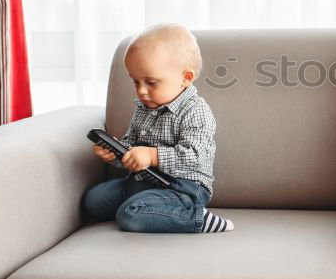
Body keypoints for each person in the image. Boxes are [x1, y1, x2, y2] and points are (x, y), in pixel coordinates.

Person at [84, 23, 234, 233]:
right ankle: (149, 208)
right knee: (93, 200)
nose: (142, 91)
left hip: (181, 188)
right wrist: (117, 153)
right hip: (142, 182)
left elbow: (195, 156)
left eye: (151, 82)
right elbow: (133, 149)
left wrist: (153, 156)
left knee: (130, 216)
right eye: (135, 82)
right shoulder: (143, 108)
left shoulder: (195, 111)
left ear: (185, 78)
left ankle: (196, 217)